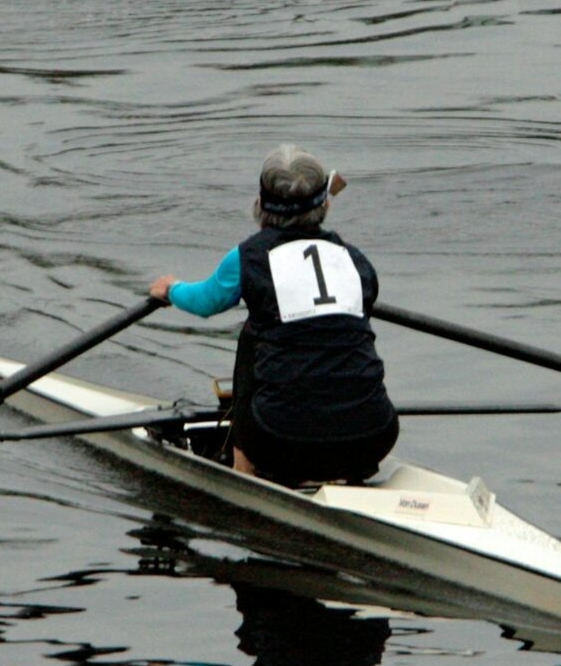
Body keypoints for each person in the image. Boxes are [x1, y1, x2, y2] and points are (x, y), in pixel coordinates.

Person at [149, 145, 398, 486]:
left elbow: (206, 301)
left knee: (256, 333)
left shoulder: (248, 257)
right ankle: (342, 470)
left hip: (278, 440)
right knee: (343, 337)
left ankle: (244, 467)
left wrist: (172, 290)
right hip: (375, 436)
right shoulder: (355, 261)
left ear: (260, 205)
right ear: (325, 204)